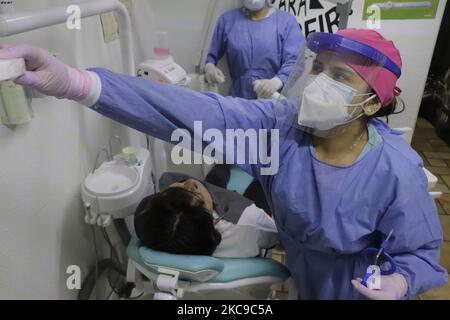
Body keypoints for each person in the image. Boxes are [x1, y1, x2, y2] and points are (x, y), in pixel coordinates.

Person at [1, 28, 447, 300]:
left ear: (372, 101)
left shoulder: (395, 170)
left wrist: (402, 283)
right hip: (301, 272)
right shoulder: (280, 130)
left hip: (356, 286)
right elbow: (193, 111)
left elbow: (422, 253)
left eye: (339, 77)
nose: (317, 84)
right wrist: (80, 83)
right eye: (319, 68)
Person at [134, 166, 278, 258]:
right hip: (247, 213)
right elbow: (273, 238)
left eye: (176, 190)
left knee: (214, 179)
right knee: (266, 179)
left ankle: (224, 162)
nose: (191, 183)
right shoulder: (249, 220)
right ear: (212, 219)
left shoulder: (148, 222)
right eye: (198, 198)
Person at [204, 0, 305, 99]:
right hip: (238, 99)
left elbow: (296, 60)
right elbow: (208, 53)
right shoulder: (227, 21)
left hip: (271, 100)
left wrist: (276, 82)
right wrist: (209, 66)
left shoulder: (285, 22)